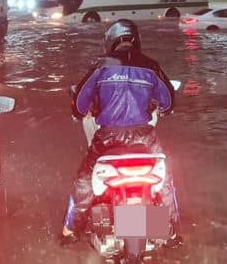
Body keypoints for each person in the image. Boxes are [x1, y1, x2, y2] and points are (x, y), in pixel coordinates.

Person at [61, 19, 180, 245]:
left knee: (85, 180)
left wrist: (80, 111)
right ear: (136, 41)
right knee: (164, 179)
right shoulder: (151, 66)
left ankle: (72, 230)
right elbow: (168, 102)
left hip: (108, 137)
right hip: (145, 136)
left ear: (110, 42)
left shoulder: (101, 66)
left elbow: (79, 104)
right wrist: (160, 108)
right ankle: (172, 231)